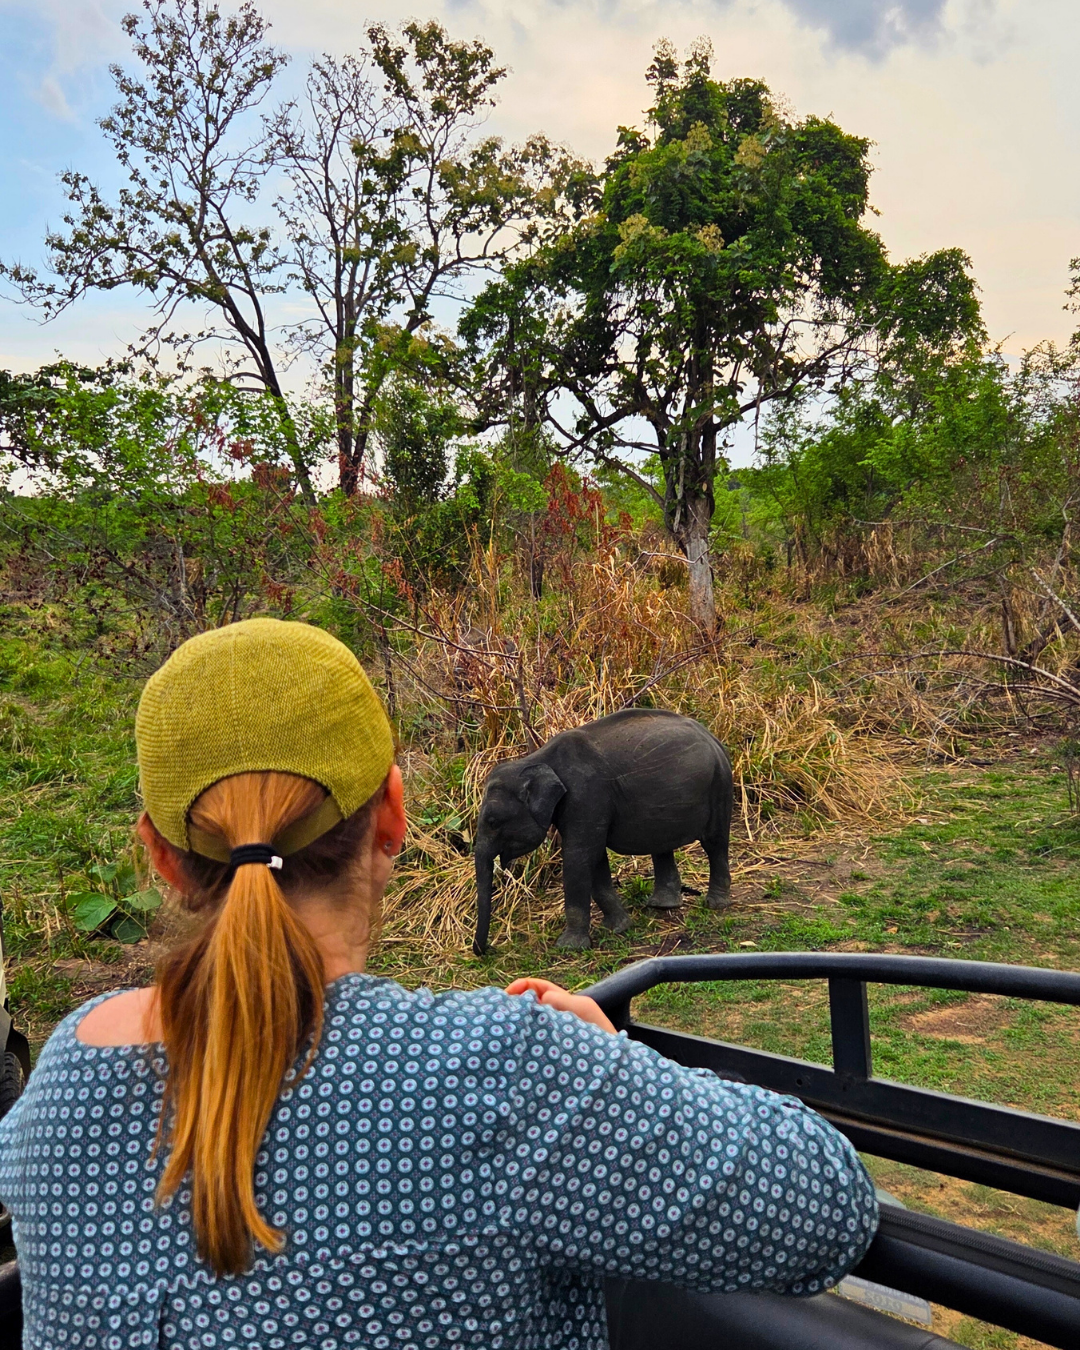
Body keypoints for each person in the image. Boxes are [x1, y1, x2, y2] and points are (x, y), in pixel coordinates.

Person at [0, 618, 878, 1349]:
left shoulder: (58, 1082)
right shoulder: (502, 1073)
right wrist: (609, 1064)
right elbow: (826, 1212)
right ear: (393, 811)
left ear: (157, 855)